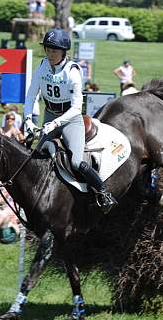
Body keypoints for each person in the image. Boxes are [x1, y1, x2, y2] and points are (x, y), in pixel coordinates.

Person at [23, 28, 117, 213]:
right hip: (49, 114)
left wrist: (56, 124)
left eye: (54, 51)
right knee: (37, 154)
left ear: (63, 52)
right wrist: (27, 119)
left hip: (71, 119)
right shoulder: (42, 66)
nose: (50, 54)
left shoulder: (73, 72)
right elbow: (31, 95)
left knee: (75, 162)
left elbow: (76, 108)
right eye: (48, 50)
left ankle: (104, 193)